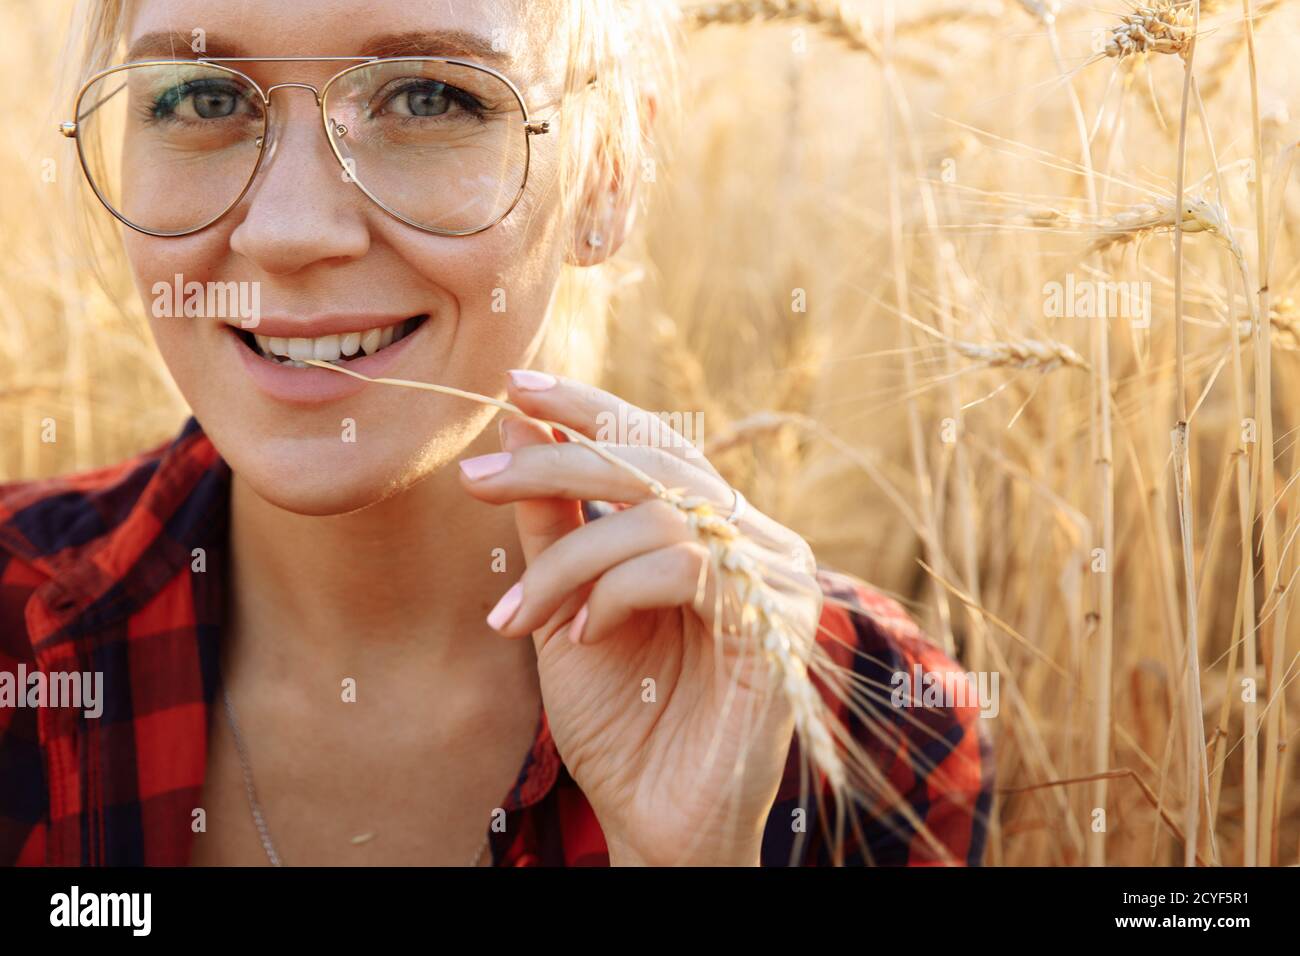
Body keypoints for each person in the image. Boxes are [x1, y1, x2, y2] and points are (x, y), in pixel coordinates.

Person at [0, 0, 991, 866]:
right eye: (203, 97)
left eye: (429, 97)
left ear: (608, 172)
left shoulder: (861, 720)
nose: (291, 227)